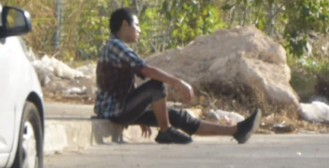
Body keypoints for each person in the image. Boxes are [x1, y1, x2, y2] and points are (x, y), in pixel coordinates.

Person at [94, 8, 262, 145]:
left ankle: (236, 131)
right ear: (125, 25)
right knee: (156, 86)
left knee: (176, 116)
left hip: (121, 107)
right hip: (115, 111)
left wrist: (139, 112)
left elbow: (124, 85)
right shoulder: (115, 46)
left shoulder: (116, 46)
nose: (140, 30)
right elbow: (146, 71)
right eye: (136, 25)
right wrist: (179, 83)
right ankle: (165, 131)